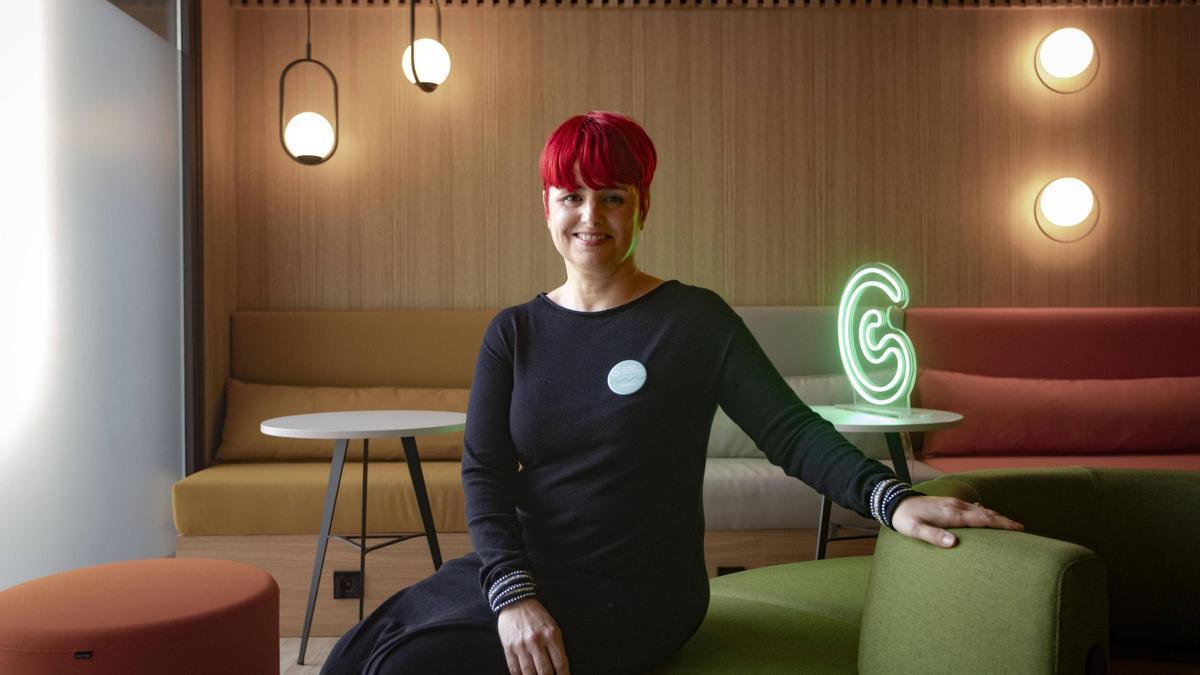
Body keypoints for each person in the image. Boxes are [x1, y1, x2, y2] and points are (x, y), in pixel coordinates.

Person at [321, 111, 1023, 675]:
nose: (590, 214)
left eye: (612, 196)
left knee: (411, 665)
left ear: (643, 206)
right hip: (529, 569)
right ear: (547, 206)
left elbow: (790, 431)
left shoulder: (692, 320)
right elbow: (485, 472)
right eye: (572, 195)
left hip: (636, 592)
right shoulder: (514, 332)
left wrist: (890, 498)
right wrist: (511, 592)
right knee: (358, 652)